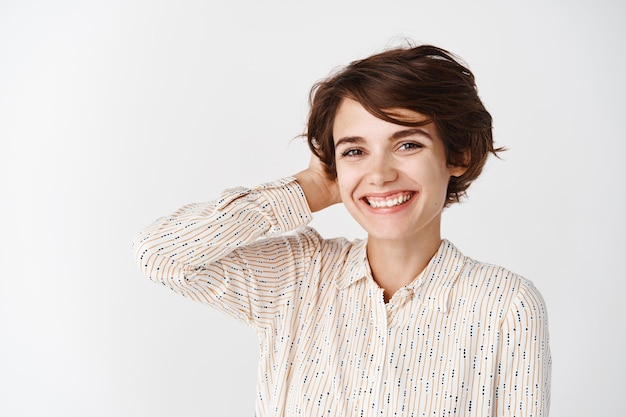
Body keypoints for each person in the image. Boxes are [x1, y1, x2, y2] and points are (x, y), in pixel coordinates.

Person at [133, 44, 551, 416]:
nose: (380, 174)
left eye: (408, 144)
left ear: (456, 154)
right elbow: (161, 255)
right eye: (355, 151)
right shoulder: (297, 277)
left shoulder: (505, 305)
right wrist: (310, 189)